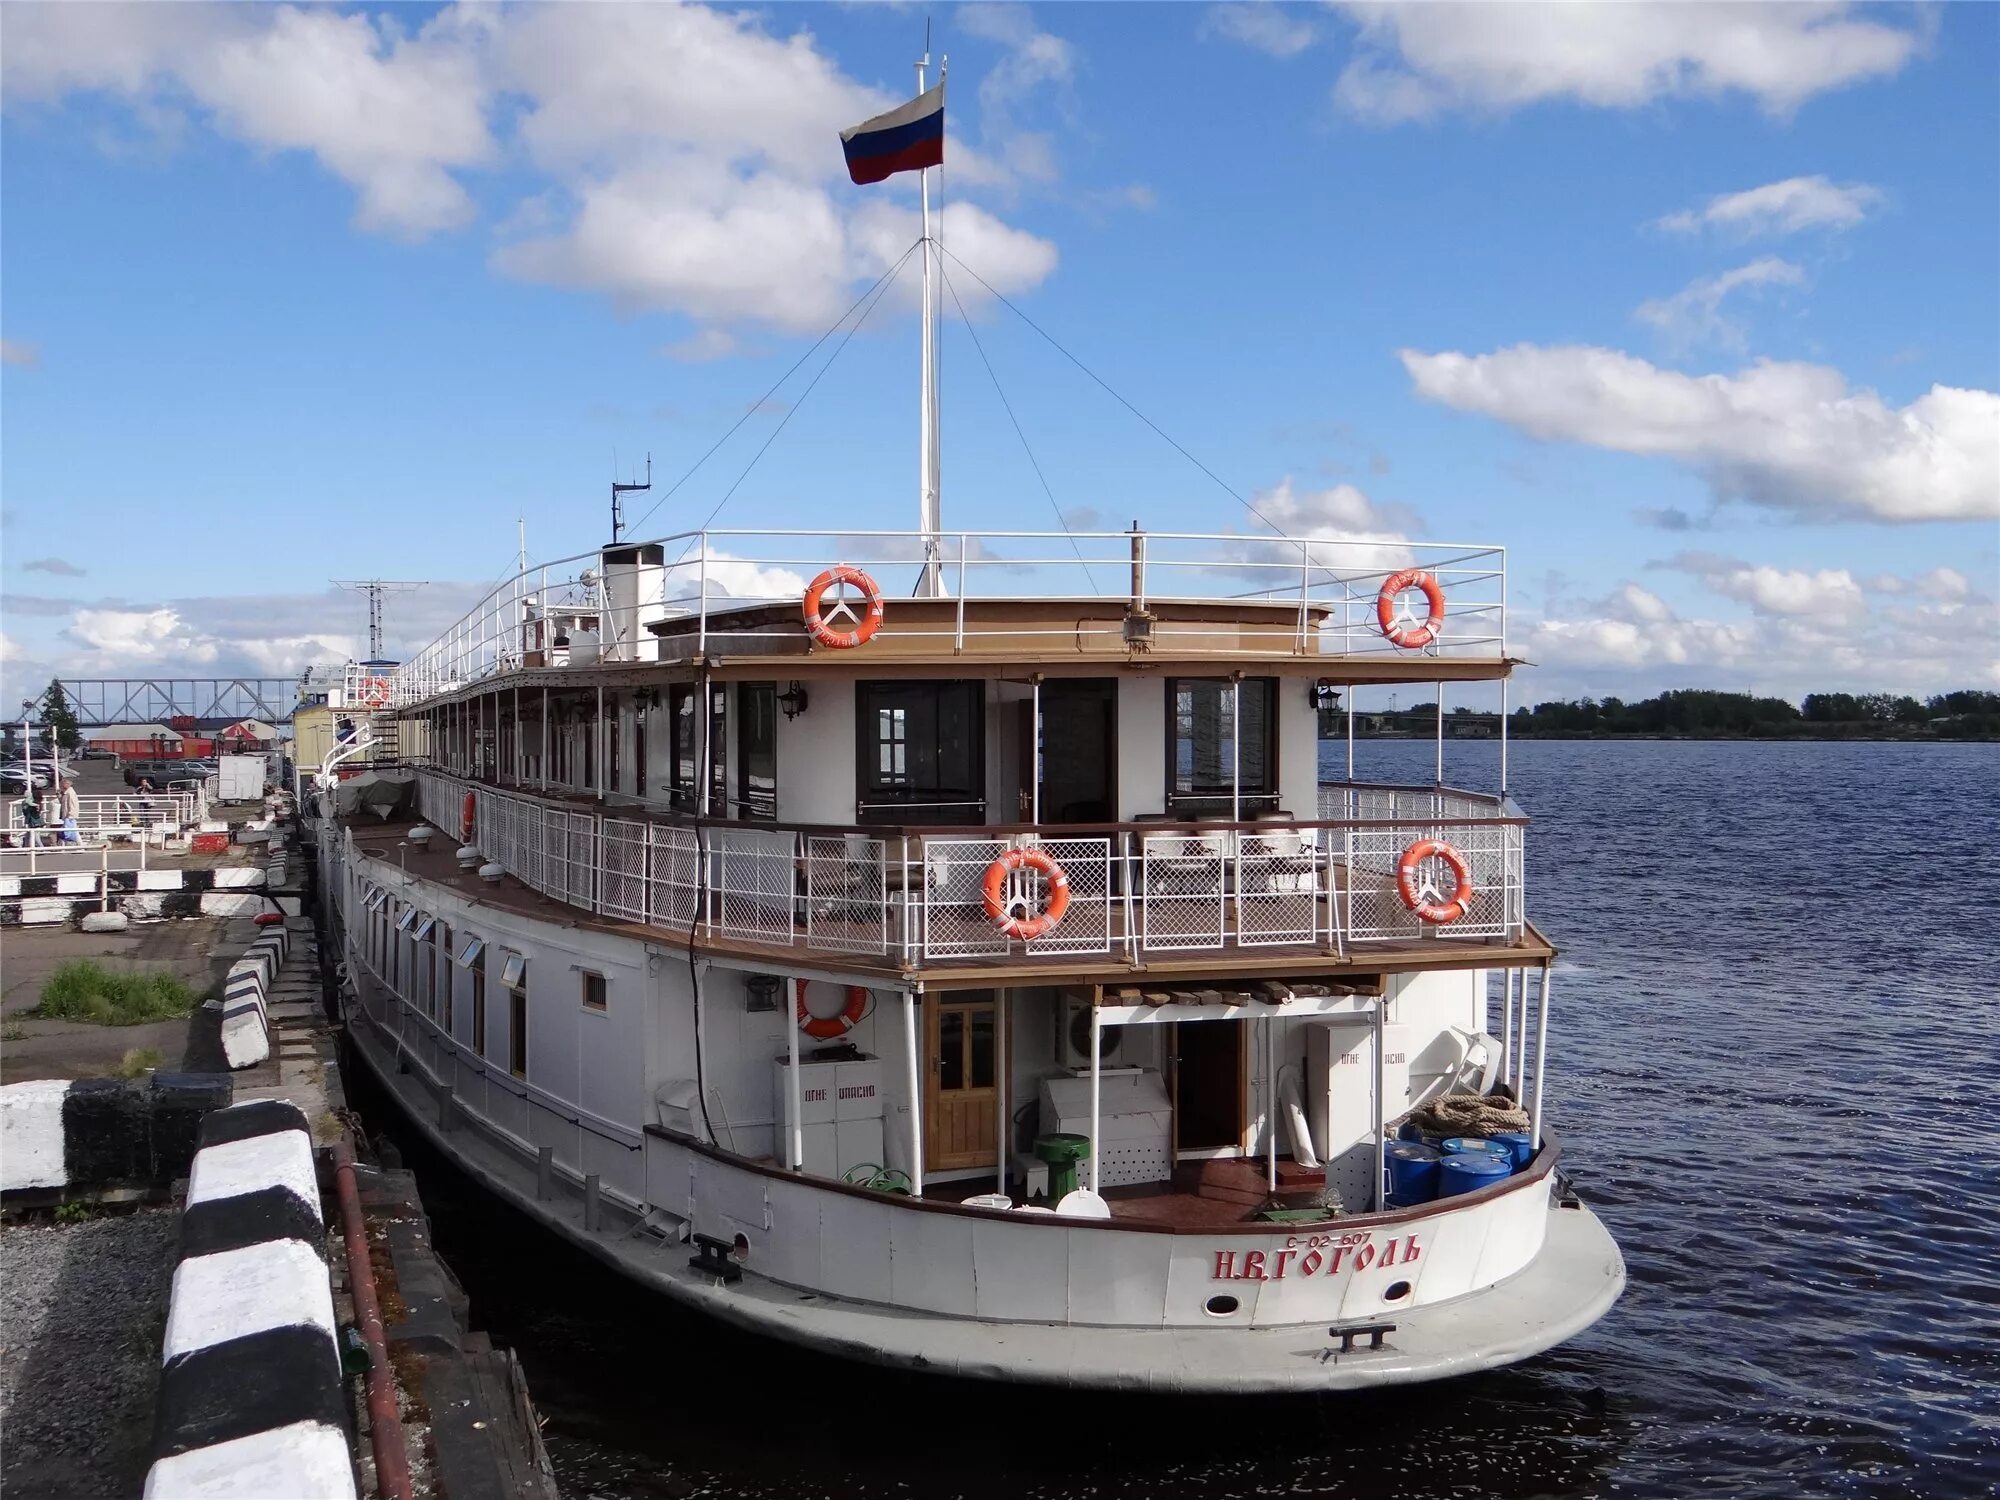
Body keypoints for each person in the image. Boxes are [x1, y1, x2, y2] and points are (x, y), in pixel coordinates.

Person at [58, 776, 81, 844]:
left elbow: (72, 804)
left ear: (67, 784)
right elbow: (62, 802)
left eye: (63, 784)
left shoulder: (70, 793)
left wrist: (70, 814)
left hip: (69, 816)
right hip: (67, 815)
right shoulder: (66, 793)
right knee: (70, 831)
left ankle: (78, 844)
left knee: (70, 831)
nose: (61, 785)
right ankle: (77, 844)